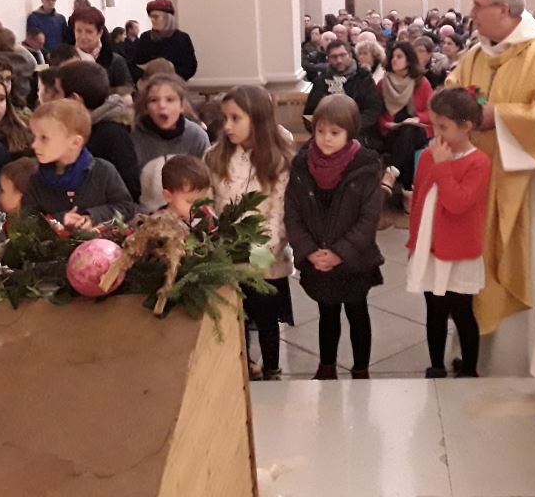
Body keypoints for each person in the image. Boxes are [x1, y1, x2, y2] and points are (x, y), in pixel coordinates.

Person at [446, 0, 535, 375]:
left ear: (504, 8)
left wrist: (495, 116)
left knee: (526, 270)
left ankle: (517, 362)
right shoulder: (475, 55)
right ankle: (474, 355)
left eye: (479, 6)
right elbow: (450, 93)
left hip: (526, 193)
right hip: (478, 186)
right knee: (474, 272)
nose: (472, 14)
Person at [284, 94, 384, 380]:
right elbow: (293, 213)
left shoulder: (364, 166)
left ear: (350, 133)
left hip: (353, 259)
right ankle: (326, 365)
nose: (326, 138)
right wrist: (309, 251)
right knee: (327, 314)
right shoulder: (303, 165)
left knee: (357, 312)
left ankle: (361, 368)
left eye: (335, 132)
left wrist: (340, 252)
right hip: (317, 257)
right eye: (320, 131)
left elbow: (368, 220)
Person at [206, 86, 294, 381]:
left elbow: (278, 212)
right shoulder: (215, 157)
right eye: (225, 118)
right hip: (226, 254)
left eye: (235, 118)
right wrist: (219, 245)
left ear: (256, 119)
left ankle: (272, 368)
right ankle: (244, 367)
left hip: (264, 257)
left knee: (266, 319)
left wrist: (261, 253)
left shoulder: (277, 160)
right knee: (235, 317)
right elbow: (211, 205)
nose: (227, 126)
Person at [406, 88, 490, 379]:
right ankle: (436, 365)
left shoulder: (478, 161)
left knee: (462, 310)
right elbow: (419, 200)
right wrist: (415, 240)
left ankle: (469, 368)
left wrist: (443, 166)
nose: (436, 133)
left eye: (443, 127)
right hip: (430, 244)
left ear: (466, 127)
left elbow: (457, 203)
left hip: (458, 249)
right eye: (434, 125)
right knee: (434, 308)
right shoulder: (431, 155)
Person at [23, 100, 135, 227]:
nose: (34, 145)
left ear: (75, 142)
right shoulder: (36, 180)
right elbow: (27, 220)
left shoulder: (103, 171)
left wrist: (93, 217)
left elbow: (126, 208)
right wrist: (58, 220)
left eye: (44, 138)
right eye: (34, 137)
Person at [58, 62, 141, 202]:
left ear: (74, 99)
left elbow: (129, 190)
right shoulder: (72, 129)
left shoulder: (112, 134)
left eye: (56, 93)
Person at [132, 73, 210, 213]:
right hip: (143, 216)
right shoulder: (132, 136)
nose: (162, 106)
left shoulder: (197, 137)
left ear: (182, 106)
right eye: (154, 100)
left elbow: (206, 186)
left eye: (170, 100)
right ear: (146, 107)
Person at [303, 40, 383, 151]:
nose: (339, 60)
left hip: (358, 131)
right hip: (328, 132)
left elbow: (373, 109)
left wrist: (351, 127)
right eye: (334, 57)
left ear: (350, 55)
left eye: (342, 55)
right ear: (328, 59)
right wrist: (322, 130)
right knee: (306, 154)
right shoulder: (321, 81)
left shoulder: (363, 78)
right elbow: (310, 112)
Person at [378, 42, 433, 202]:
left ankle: (390, 175)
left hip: (418, 130)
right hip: (391, 131)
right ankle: (407, 191)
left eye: (399, 56)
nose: (394, 60)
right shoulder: (383, 83)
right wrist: (385, 124)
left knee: (409, 130)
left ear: (409, 60)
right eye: (393, 56)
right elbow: (377, 111)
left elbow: (431, 112)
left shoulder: (421, 82)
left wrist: (417, 118)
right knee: (405, 144)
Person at [133, 0, 198, 82]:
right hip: (150, 83)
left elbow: (190, 67)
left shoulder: (182, 38)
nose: (152, 20)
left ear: (168, 18)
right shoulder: (145, 38)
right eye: (151, 17)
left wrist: (167, 72)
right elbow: (135, 65)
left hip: (175, 83)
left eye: (155, 17)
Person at [70, 6, 133, 89]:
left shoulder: (115, 61)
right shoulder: (66, 58)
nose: (83, 36)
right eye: (78, 31)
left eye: (89, 32)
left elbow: (127, 90)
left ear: (100, 33)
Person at [160, 154, 213, 221]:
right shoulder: (156, 224)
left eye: (201, 201)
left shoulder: (206, 217)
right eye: (190, 201)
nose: (198, 207)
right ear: (168, 196)